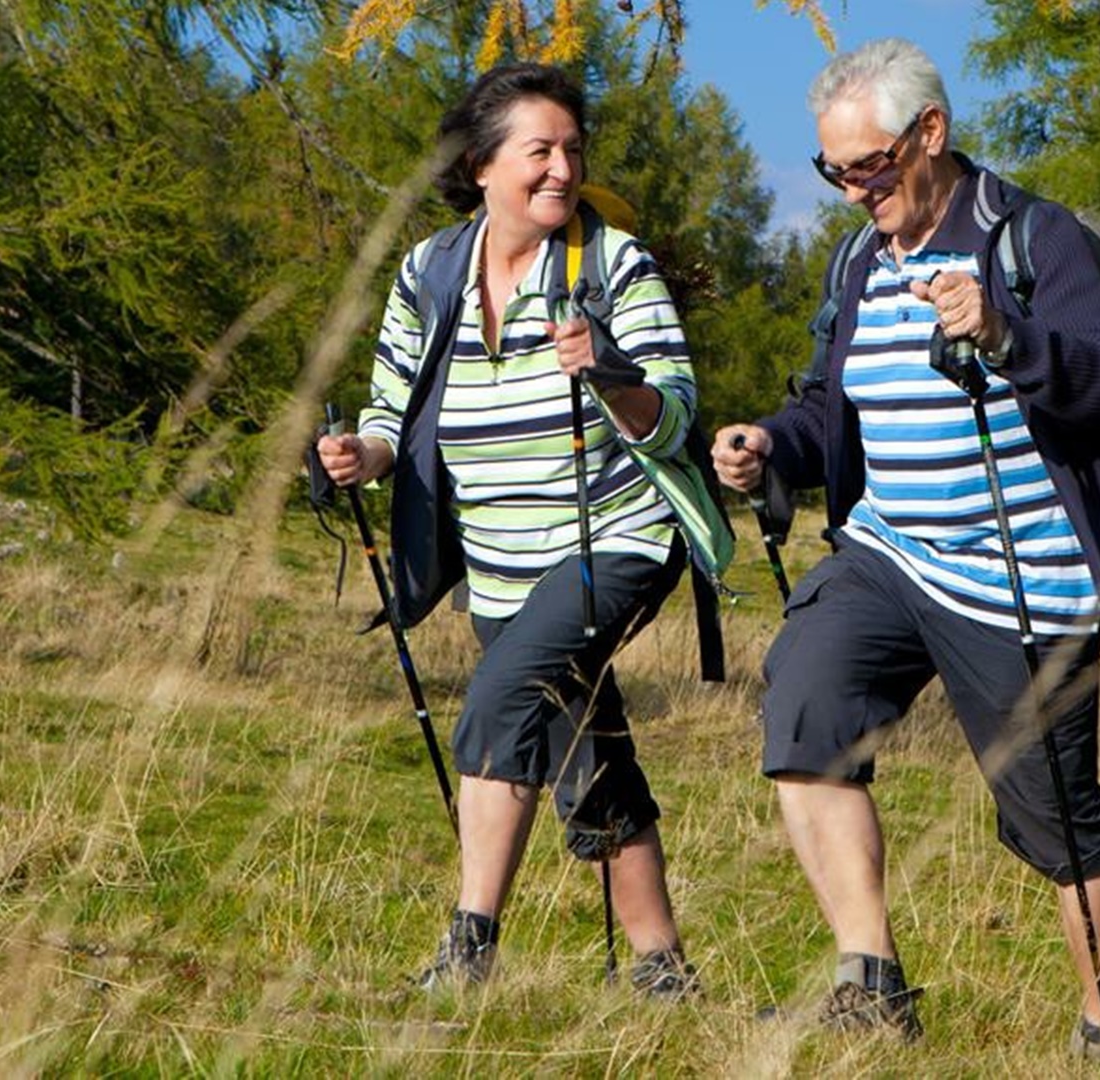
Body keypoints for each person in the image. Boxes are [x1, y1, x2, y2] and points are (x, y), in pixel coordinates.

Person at [711, 38, 1100, 1061]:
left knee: (1056, 820)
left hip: (1020, 577)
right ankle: (870, 985)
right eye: (832, 171)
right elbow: (832, 405)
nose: (848, 190)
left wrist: (1008, 338)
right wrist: (769, 443)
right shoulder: (861, 260)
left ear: (931, 134)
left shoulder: (1030, 238)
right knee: (805, 706)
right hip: (888, 554)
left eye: (867, 166)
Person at [317, 62, 719, 998]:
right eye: (540, 150)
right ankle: (662, 969)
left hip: (617, 541)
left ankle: (470, 950)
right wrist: (360, 456)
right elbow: (392, 408)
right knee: (588, 747)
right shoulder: (431, 268)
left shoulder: (613, 264)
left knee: (504, 697)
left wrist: (609, 374)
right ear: (484, 165)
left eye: (572, 151)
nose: (562, 169)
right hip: (497, 566)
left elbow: (675, 414)